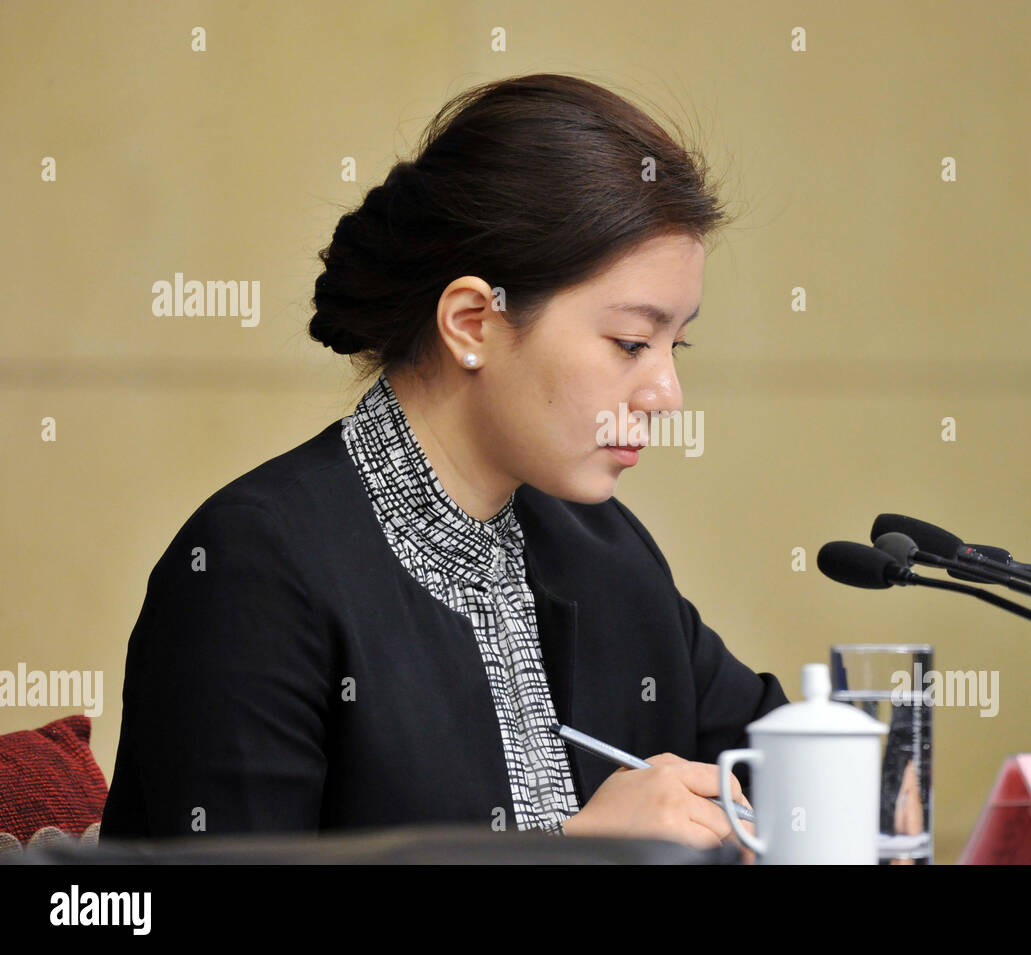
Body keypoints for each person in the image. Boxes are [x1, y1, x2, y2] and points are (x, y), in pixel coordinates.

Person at [100, 73, 787, 855]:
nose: (666, 392)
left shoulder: (606, 552)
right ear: (472, 322)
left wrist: (868, 777)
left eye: (677, 344)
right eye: (632, 341)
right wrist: (570, 850)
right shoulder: (251, 566)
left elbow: (778, 757)